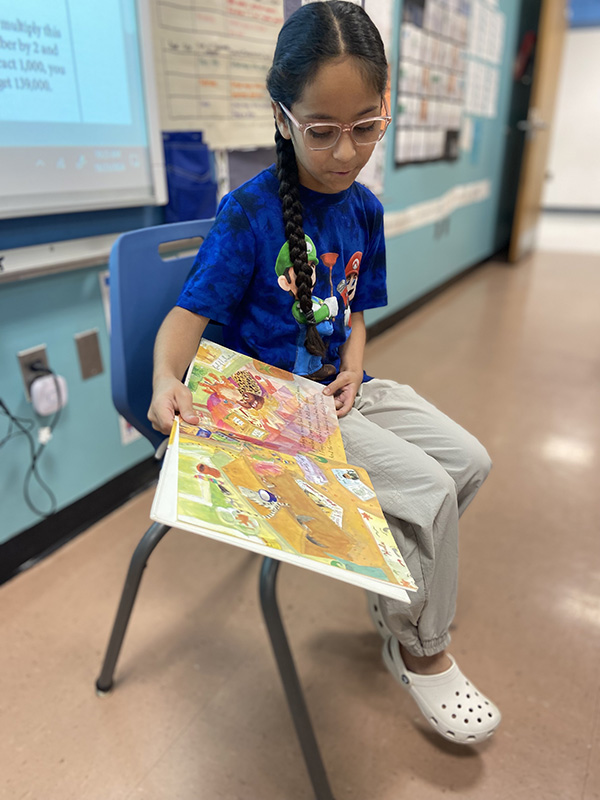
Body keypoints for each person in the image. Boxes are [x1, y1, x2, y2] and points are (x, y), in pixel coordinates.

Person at [148, 0, 501, 745]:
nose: (346, 152)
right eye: (322, 131)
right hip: (269, 408)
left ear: (384, 110)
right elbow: (181, 327)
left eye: (367, 127)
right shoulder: (248, 215)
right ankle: (422, 649)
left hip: (339, 394)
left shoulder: (364, 210)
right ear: (283, 118)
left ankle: (395, 599)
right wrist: (161, 381)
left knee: (470, 462)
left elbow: (357, 313)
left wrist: (353, 370)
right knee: (429, 490)